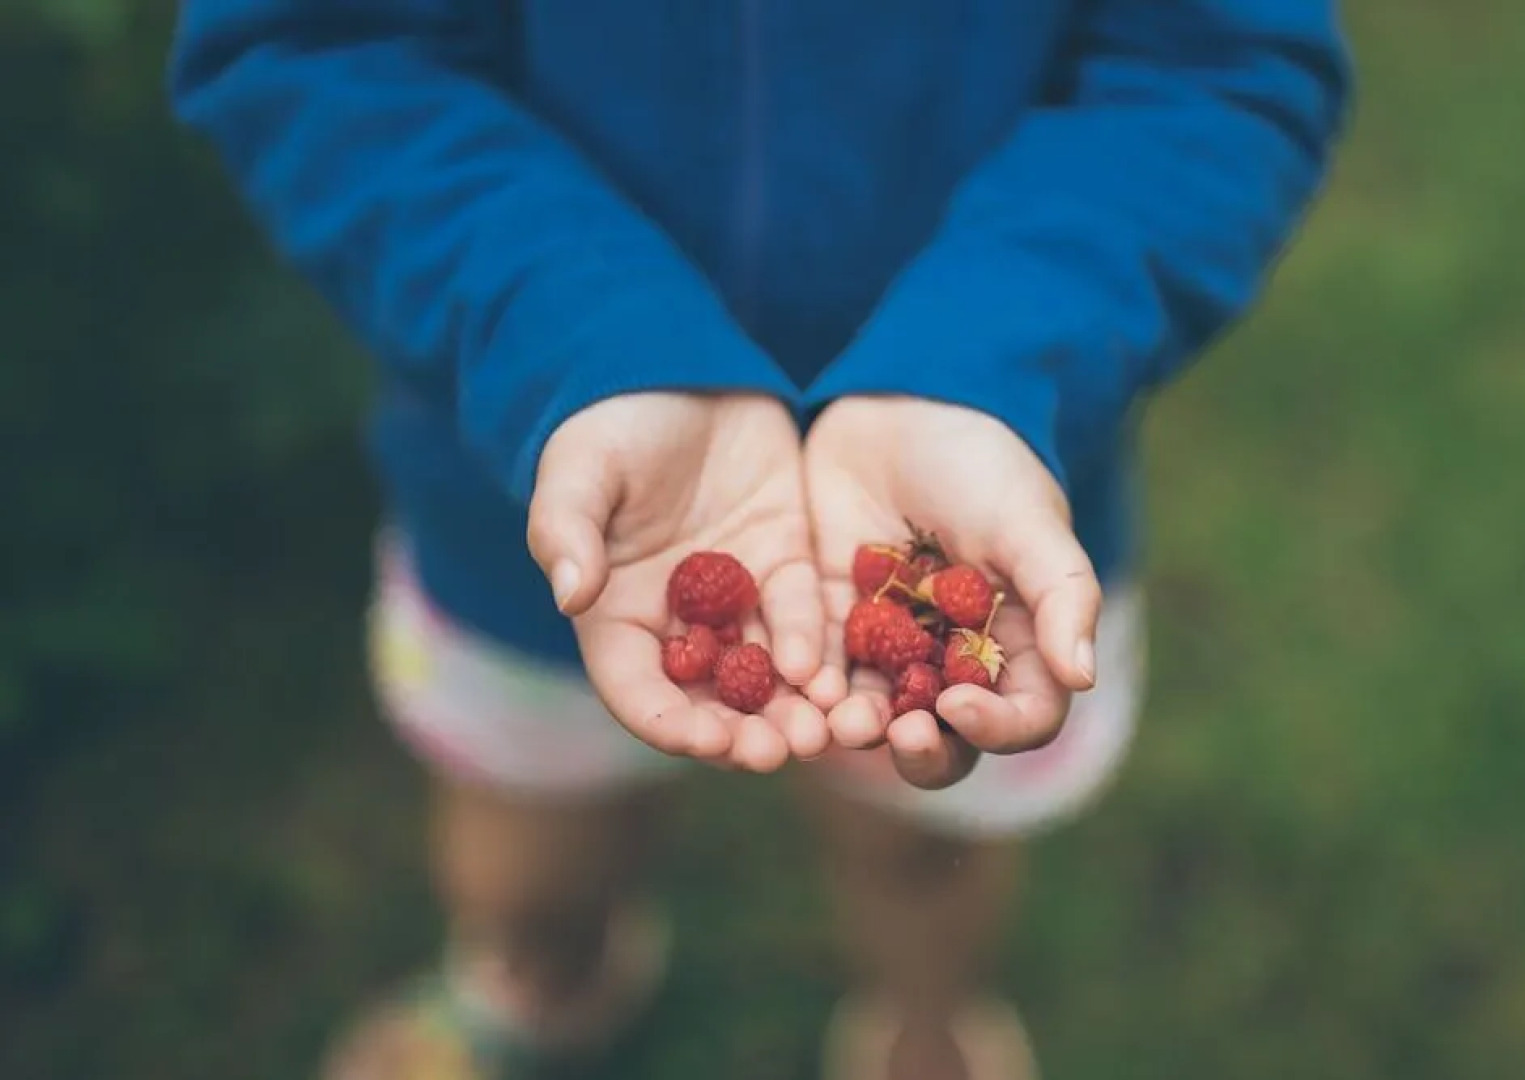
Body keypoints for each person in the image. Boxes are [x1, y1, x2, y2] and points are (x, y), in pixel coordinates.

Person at [169, 2, 1350, 1077]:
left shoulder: (934, 578)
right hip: (539, 489)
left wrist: (983, 362)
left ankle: (927, 1027)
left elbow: (1215, 63)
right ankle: (542, 977)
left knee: (917, 844)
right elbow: (321, 50)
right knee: (532, 858)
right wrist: (578, 340)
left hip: (977, 486)